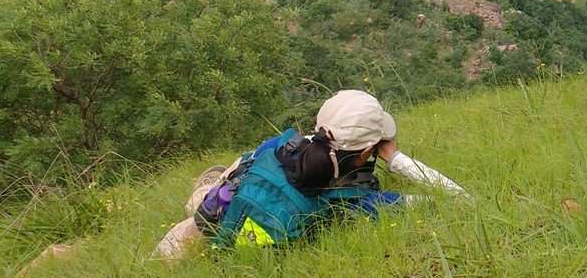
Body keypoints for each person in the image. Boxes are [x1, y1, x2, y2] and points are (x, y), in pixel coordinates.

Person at [156, 90, 465, 259]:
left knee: (216, 188)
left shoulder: (278, 146)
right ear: (367, 150)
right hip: (242, 242)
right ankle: (206, 189)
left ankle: (206, 189)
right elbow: (461, 199)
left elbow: (242, 171)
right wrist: (395, 158)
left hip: (207, 224)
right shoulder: (356, 202)